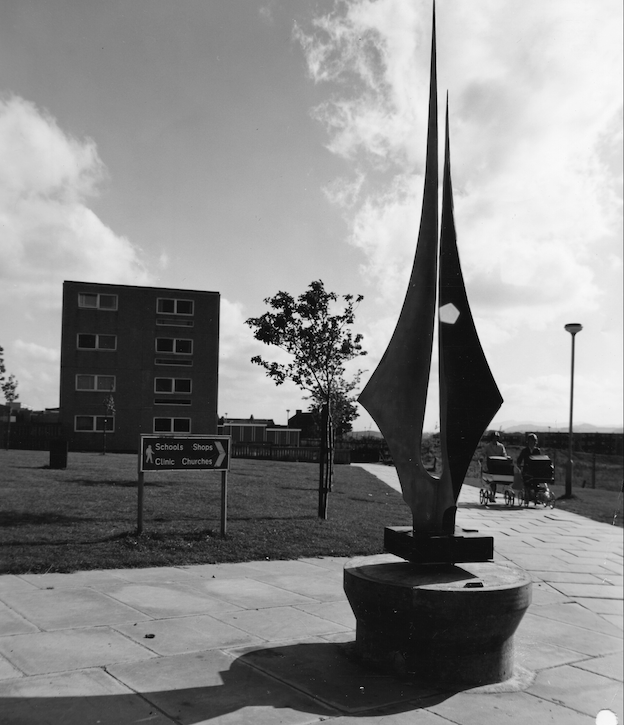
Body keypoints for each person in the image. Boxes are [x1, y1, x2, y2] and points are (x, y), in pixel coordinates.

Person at [481, 431, 507, 501]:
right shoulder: (487, 446)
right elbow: (483, 454)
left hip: (499, 465)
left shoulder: (501, 446)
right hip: (490, 465)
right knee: (493, 481)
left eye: (496, 438)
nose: (495, 439)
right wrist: (481, 458)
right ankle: (492, 494)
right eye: (494, 438)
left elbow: (504, 454)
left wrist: (505, 458)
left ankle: (493, 494)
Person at [517, 433, 542, 498]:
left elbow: (540, 460)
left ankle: (536, 495)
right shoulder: (524, 451)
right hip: (527, 470)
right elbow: (519, 460)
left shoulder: (537, 451)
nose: (532, 443)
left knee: (536, 481)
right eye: (530, 441)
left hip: (535, 471)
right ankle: (527, 493)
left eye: (533, 441)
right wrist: (519, 465)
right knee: (527, 482)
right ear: (528, 442)